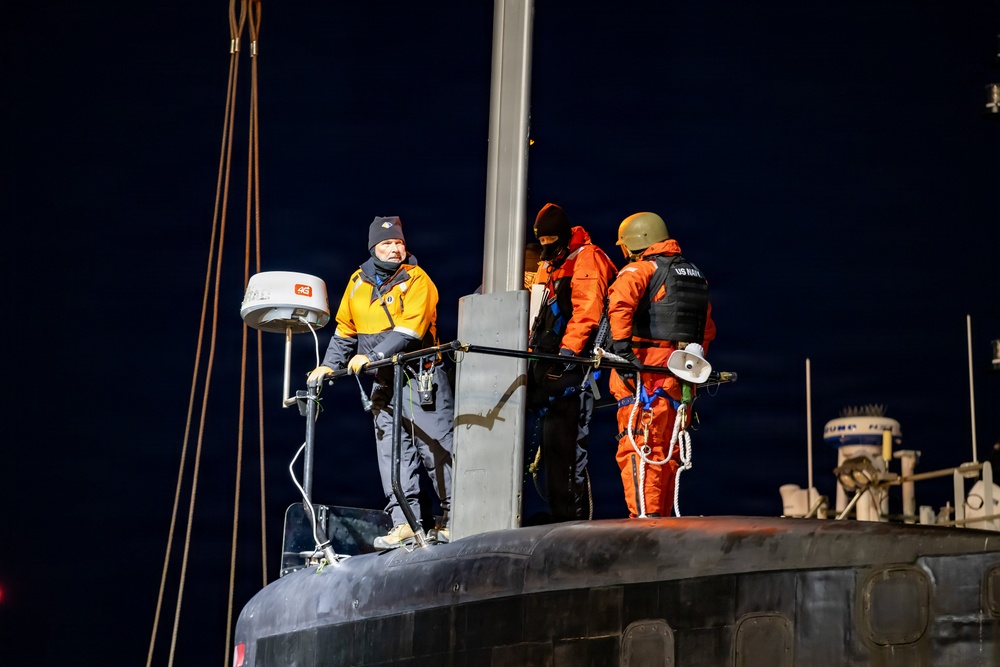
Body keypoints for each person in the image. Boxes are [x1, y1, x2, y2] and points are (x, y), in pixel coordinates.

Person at [307, 216, 454, 550]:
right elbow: (345, 330)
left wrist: (373, 358)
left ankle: (455, 517)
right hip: (384, 383)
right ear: (373, 247)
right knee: (392, 451)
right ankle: (405, 523)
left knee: (436, 447)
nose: (394, 248)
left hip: (420, 375)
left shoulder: (418, 280)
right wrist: (328, 367)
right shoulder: (358, 282)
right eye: (387, 243)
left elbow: (410, 330)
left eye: (399, 243)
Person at [606, 211, 716, 518]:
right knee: (669, 453)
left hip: (645, 375)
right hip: (680, 378)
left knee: (640, 448)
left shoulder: (640, 270)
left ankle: (646, 522)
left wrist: (622, 349)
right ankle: (662, 521)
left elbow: (620, 303)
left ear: (634, 243)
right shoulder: (693, 275)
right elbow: (705, 330)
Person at [527, 203, 618, 521]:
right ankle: (558, 518)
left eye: (552, 239)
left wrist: (565, 357)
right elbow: (539, 312)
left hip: (570, 369)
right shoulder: (552, 262)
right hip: (546, 367)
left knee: (566, 451)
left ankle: (572, 523)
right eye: (543, 240)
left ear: (564, 236)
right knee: (553, 451)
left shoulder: (586, 258)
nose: (547, 245)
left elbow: (586, 311)